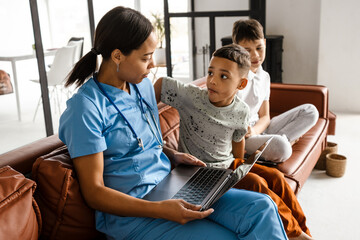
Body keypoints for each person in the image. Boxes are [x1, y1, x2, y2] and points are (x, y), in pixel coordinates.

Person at [58, 7, 288, 240]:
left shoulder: (142, 86)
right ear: (117, 56)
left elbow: (140, 142)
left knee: (262, 208)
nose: (153, 65)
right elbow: (94, 192)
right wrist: (160, 210)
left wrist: (171, 154)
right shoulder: (85, 108)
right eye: (146, 58)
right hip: (135, 215)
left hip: (173, 187)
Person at [155, 43, 313, 240]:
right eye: (210, 72)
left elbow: (238, 143)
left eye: (223, 76)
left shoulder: (242, 111)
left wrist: (240, 170)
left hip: (228, 165)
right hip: (201, 170)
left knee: (276, 178)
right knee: (256, 183)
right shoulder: (191, 97)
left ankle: (305, 233)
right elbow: (161, 84)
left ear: (241, 84)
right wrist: (145, 115)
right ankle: (295, 234)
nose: (212, 81)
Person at [232, 19, 318, 239]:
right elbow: (234, 123)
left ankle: (274, 143)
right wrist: (253, 133)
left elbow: (265, 116)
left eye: (259, 48)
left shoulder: (265, 76)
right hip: (243, 135)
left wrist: (260, 130)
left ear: (265, 45)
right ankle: (278, 144)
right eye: (247, 50)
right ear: (235, 47)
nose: (255, 56)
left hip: (259, 128)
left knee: (311, 111)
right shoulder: (235, 76)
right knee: (282, 146)